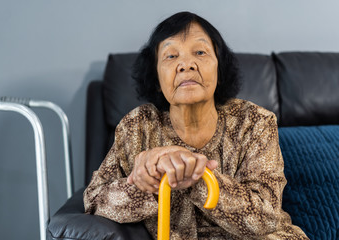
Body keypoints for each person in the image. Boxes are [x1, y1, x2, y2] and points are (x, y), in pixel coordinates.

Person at [84, 11, 309, 239]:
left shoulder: (255, 123)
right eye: (171, 56)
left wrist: (196, 178)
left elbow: (266, 217)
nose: (186, 64)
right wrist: (143, 185)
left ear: (219, 69)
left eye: (200, 52)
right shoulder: (138, 127)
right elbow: (94, 201)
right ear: (157, 78)